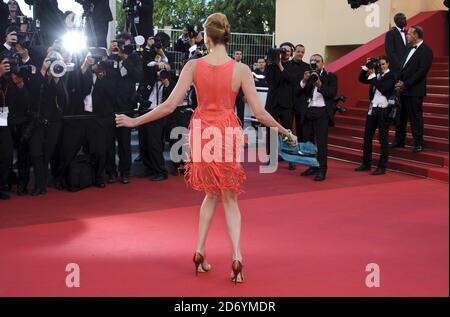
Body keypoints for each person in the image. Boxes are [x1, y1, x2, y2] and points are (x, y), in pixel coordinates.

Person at [116, 13, 298, 284]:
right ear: (226, 35)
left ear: (207, 36)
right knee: (230, 198)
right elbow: (260, 113)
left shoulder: (193, 65)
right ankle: (237, 256)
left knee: (211, 194)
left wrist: (134, 121)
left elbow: (168, 106)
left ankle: (199, 252)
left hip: (202, 131)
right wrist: (284, 131)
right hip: (226, 132)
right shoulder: (240, 69)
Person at [391, 25, 433, 153]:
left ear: (416, 35)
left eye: (409, 34)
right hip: (402, 89)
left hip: (414, 90)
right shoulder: (408, 48)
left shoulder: (427, 50)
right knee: (400, 117)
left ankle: (418, 142)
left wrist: (406, 84)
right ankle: (399, 140)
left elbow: (421, 72)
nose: (407, 36)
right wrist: (398, 82)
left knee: (415, 117)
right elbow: (402, 67)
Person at [296, 54, 338, 182]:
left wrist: (320, 84)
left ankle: (321, 170)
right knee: (308, 143)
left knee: (321, 143)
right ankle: (312, 167)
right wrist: (304, 81)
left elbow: (332, 93)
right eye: (312, 62)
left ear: (323, 63)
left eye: (317, 61)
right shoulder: (308, 76)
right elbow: (297, 92)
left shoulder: (330, 76)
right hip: (308, 111)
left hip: (322, 112)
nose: (315, 64)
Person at [355, 57, 396, 175]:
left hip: (384, 109)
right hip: (373, 108)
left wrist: (373, 76)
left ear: (388, 64)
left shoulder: (391, 75)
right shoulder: (376, 75)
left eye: (384, 64)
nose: (382, 66)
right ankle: (366, 163)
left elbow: (383, 88)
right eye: (380, 64)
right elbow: (361, 79)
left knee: (383, 139)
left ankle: (382, 166)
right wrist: (366, 67)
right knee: (367, 137)